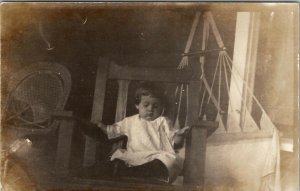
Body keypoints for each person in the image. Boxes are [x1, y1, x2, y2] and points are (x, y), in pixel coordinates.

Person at [97, 82, 190, 183]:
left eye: (155, 106)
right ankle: (131, 172)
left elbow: (174, 141)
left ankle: (134, 173)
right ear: (137, 105)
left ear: (162, 107)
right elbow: (113, 131)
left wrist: (180, 135)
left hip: (156, 156)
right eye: (146, 105)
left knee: (170, 160)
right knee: (120, 157)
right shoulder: (130, 121)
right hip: (136, 156)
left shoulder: (164, 121)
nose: (150, 109)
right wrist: (103, 127)